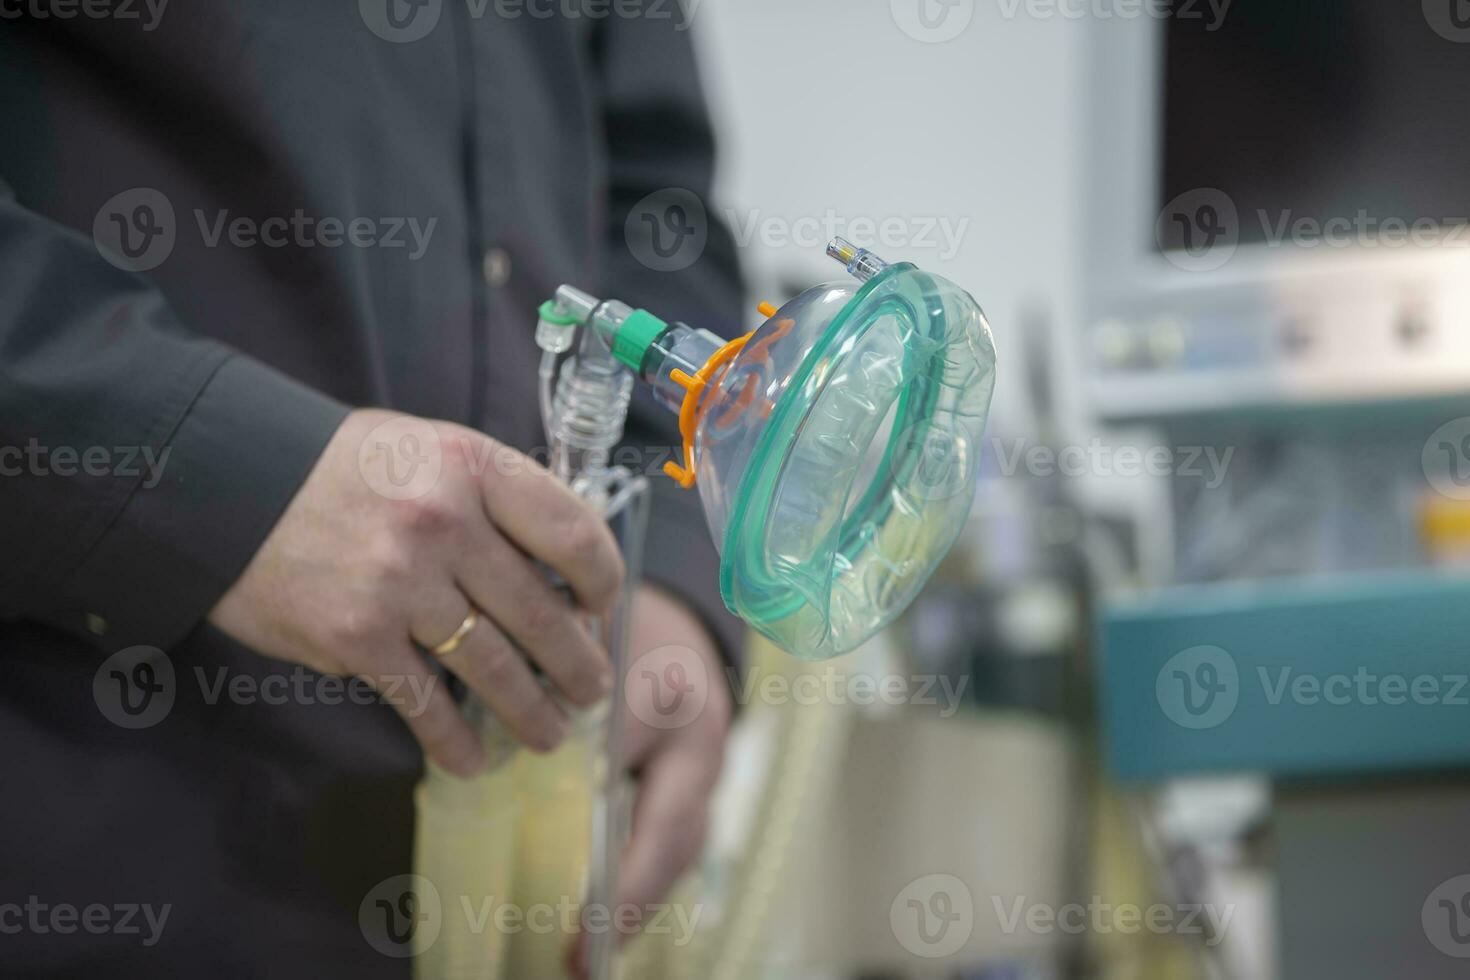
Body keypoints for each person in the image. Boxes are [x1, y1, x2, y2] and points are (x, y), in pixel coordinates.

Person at [0, 3, 742, 975]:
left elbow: (657, 204)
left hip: (511, 880)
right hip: (103, 821)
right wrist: (217, 467)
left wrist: (674, 572)